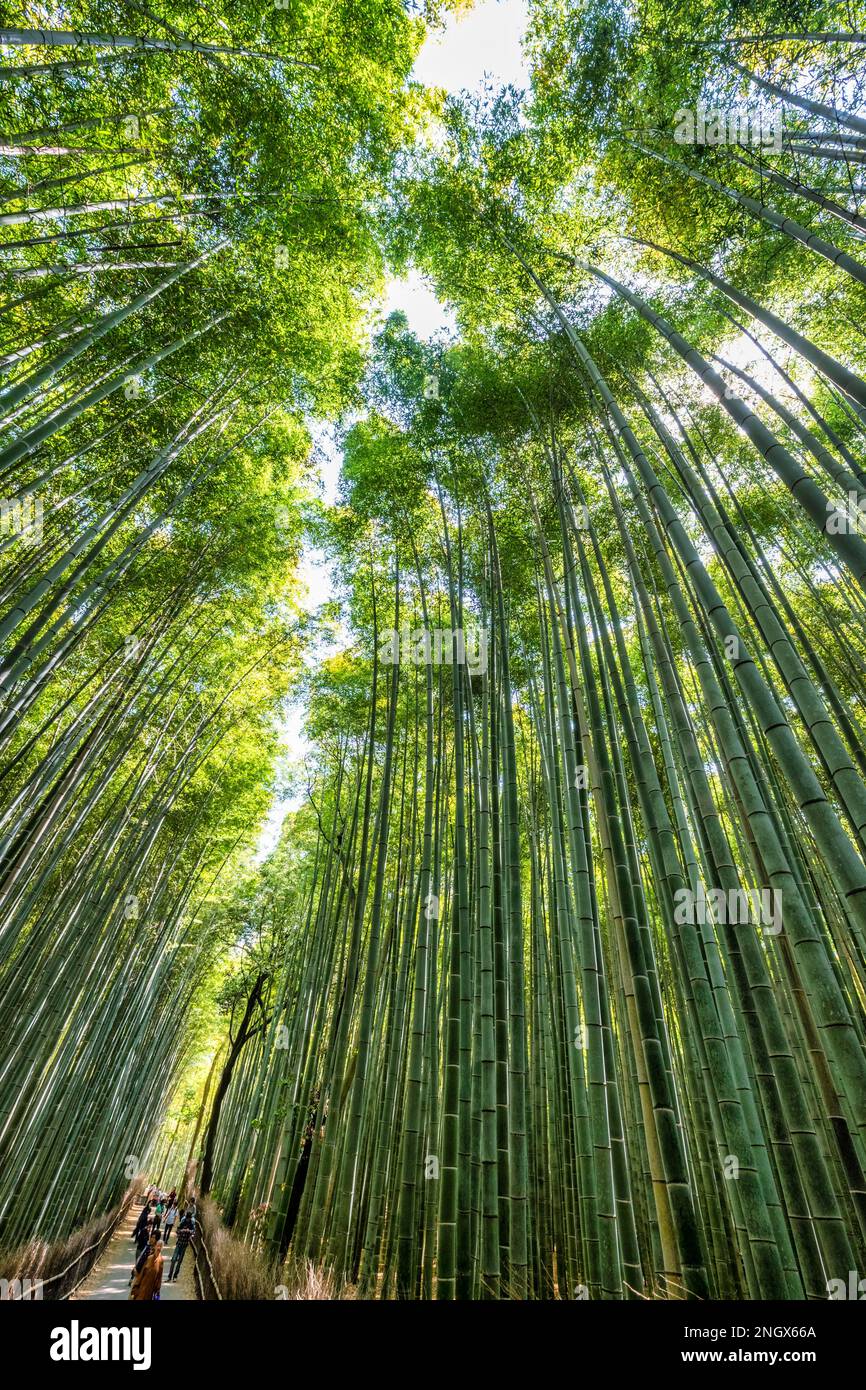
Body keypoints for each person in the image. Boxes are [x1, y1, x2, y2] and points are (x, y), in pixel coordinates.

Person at [167, 1206, 195, 1283]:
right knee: (173, 1260)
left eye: (189, 1218)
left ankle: (175, 1276)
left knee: (179, 1261)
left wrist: (189, 1231)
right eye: (187, 1218)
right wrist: (182, 1230)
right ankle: (170, 1276)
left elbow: (193, 1233)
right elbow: (177, 1230)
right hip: (179, 1243)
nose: (188, 1219)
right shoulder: (183, 1222)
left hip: (184, 1245)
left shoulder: (191, 1224)